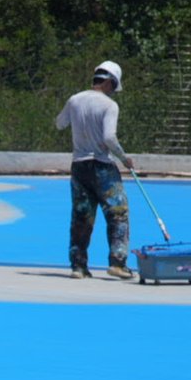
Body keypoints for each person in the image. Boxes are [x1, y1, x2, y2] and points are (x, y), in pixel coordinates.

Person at [55, 60, 134, 279]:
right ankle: (117, 263)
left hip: (79, 166)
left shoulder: (74, 100)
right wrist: (124, 157)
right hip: (102, 167)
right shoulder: (109, 106)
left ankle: (78, 267)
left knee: (82, 216)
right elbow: (109, 137)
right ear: (110, 82)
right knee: (118, 212)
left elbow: (59, 123)